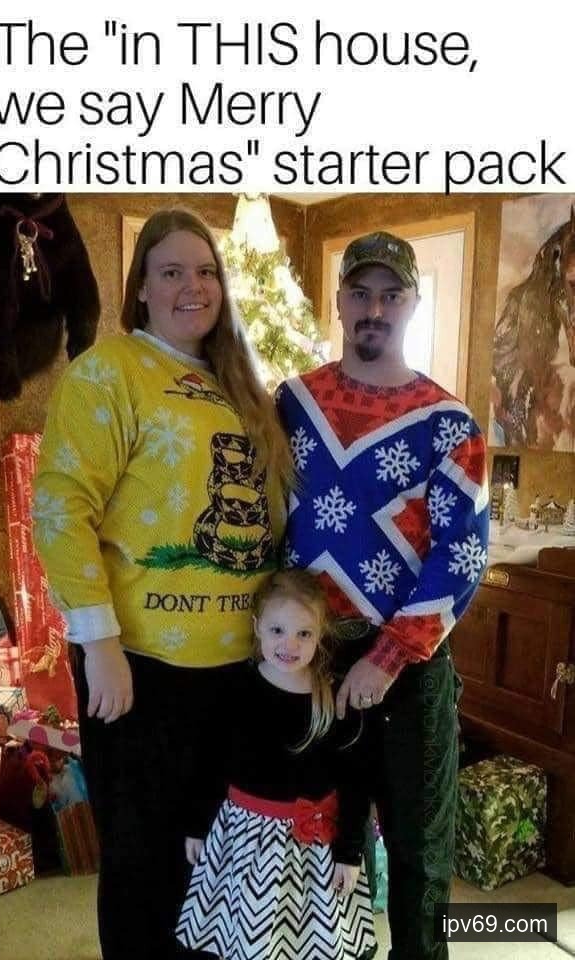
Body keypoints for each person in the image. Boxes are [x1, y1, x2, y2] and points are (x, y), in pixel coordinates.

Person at [32, 208, 291, 960]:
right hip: (142, 668)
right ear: (141, 287)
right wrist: (99, 643)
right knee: (143, 863)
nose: (192, 286)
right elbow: (61, 506)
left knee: (216, 861)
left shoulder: (240, 386)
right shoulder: (108, 372)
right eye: (171, 271)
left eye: (205, 272)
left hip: (238, 669)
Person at [276, 231, 489, 960]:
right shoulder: (293, 404)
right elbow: (267, 516)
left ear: (412, 304)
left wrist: (389, 656)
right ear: (338, 301)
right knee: (316, 842)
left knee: (417, 854)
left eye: (390, 295)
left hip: (405, 670)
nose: (374, 309)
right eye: (360, 293)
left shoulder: (448, 424)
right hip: (306, 658)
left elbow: (461, 553)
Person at [176, 569, 377, 960]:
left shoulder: (333, 697)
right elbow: (209, 764)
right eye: (278, 630)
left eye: (304, 633)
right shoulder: (236, 689)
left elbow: (355, 781)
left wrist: (349, 852)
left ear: (320, 635)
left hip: (313, 850)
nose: (290, 644)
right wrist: (197, 826)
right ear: (257, 627)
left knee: (311, 944)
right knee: (248, 941)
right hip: (244, 843)